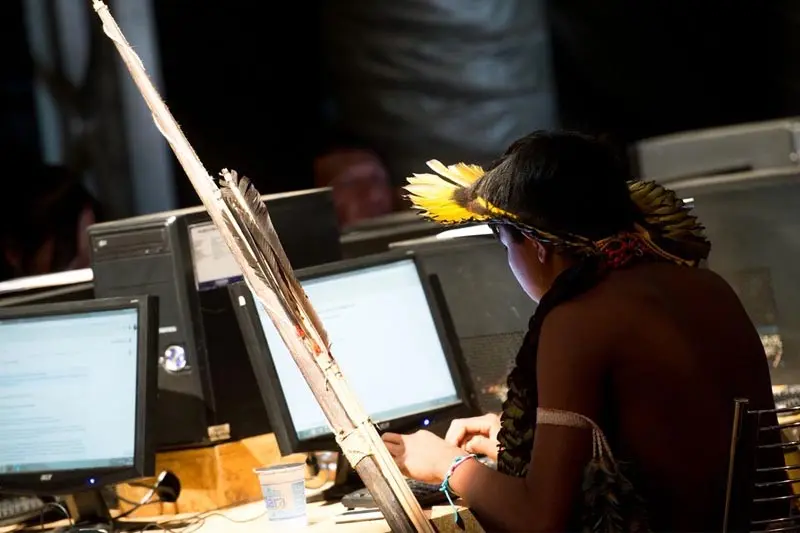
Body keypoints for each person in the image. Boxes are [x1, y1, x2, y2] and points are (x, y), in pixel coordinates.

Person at [381, 131, 784, 532]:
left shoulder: (577, 319)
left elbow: (540, 521)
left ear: (537, 245)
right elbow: (666, 441)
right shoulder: (708, 287)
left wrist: (447, 464)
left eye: (507, 246)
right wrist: (522, 443)